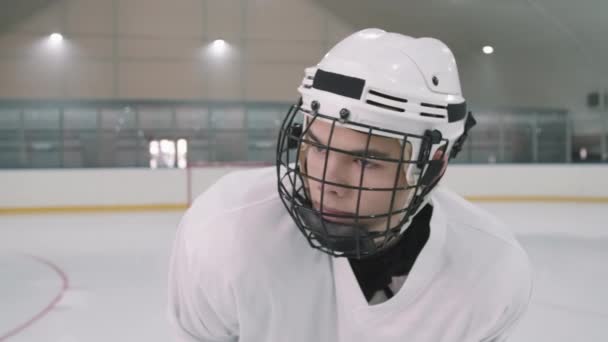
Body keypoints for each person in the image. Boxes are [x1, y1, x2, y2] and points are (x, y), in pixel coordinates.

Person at [167, 28, 533, 342]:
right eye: (317, 146)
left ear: (432, 168)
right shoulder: (226, 235)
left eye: (365, 161)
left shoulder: (488, 273)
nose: (329, 181)